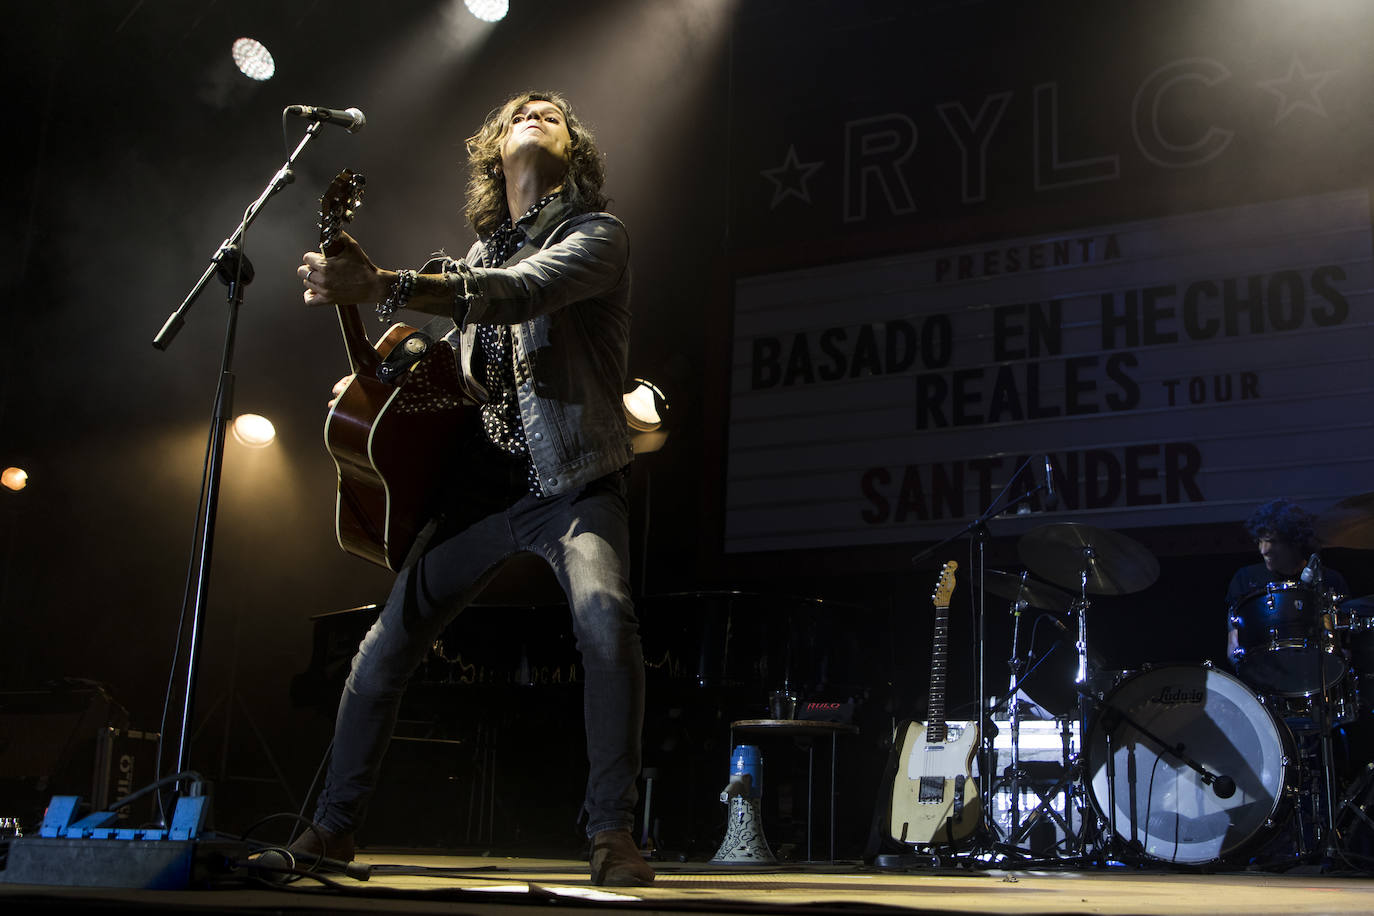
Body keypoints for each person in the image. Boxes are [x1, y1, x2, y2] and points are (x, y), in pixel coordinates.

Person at [293, 90, 653, 886]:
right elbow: (434, 362)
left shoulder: (598, 237)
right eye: (522, 109)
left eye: (554, 111)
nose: (537, 108)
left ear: (577, 153)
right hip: (482, 489)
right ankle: (332, 827)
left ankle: (612, 833)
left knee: (605, 622)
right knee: (383, 650)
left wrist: (380, 281)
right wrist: (367, 380)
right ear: (494, 150)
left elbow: (522, 292)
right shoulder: (467, 263)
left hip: (575, 481)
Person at [1225, 497, 1348, 679]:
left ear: (1294, 542)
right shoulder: (1245, 578)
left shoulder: (1329, 579)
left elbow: (1345, 646)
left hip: (1318, 678)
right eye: (1260, 541)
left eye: (1272, 541)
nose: (1263, 550)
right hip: (1266, 680)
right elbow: (1233, 645)